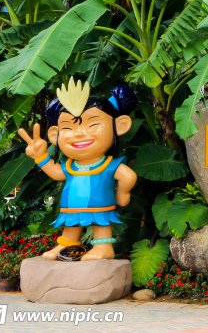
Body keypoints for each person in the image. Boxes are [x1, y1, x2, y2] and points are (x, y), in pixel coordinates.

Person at [17, 79, 138, 261]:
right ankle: (67, 243)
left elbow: (128, 176)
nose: (79, 133)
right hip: (71, 208)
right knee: (71, 224)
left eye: (92, 124)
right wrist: (40, 157)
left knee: (101, 221)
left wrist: (122, 193)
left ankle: (103, 246)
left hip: (101, 205)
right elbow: (56, 173)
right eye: (68, 127)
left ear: (120, 126)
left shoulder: (108, 165)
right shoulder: (70, 166)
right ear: (54, 135)